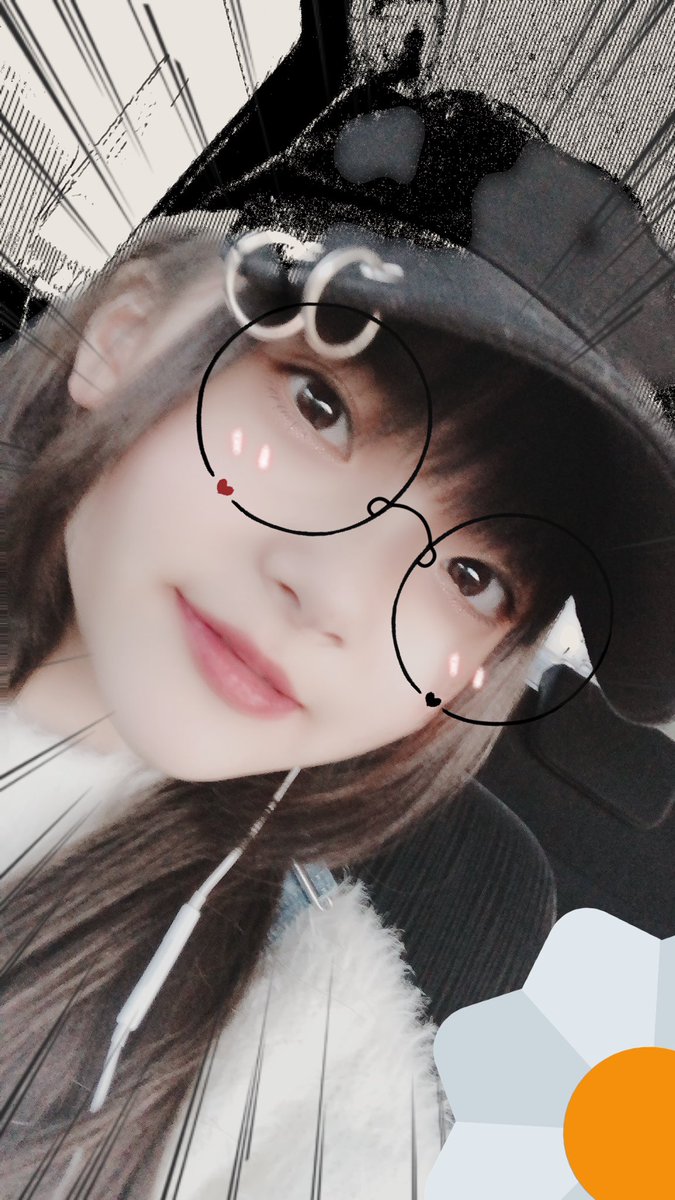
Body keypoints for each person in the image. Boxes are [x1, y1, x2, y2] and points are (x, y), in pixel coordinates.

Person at [2, 83, 674, 1198]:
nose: (339, 597)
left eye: (471, 577)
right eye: (321, 406)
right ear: (122, 338)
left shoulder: (310, 1072)